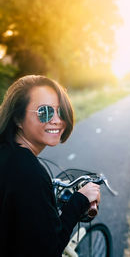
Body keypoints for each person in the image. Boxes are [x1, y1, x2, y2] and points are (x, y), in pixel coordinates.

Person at [0, 75, 100, 257]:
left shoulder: (6, 153)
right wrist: (80, 200)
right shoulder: (30, 173)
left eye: (60, 111)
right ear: (17, 118)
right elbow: (49, 249)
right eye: (44, 112)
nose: (57, 120)